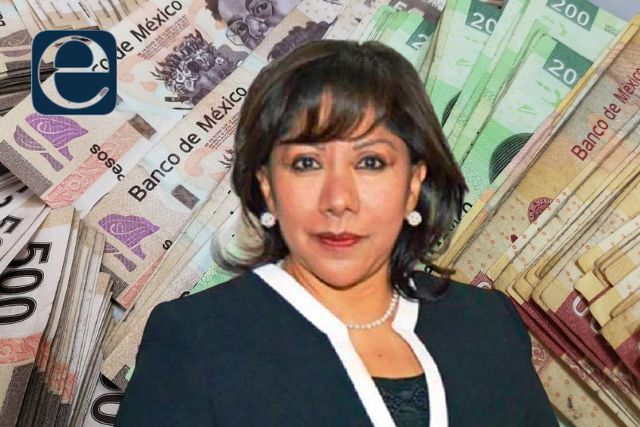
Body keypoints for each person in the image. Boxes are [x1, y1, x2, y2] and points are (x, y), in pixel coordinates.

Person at [115, 39, 557, 426]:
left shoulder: (488, 324)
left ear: (413, 186)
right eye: (307, 163)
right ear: (268, 188)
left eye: (370, 162)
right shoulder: (195, 340)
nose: (339, 199)